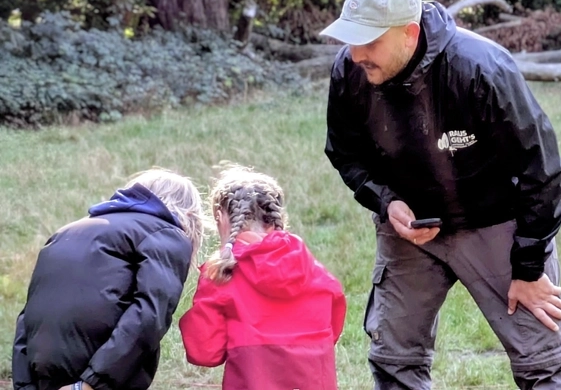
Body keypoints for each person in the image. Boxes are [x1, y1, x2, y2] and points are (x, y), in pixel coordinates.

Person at [320, 0, 561, 389]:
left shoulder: (480, 68)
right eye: (350, 39)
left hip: (497, 226)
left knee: (541, 364)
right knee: (393, 360)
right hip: (411, 230)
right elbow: (345, 153)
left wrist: (528, 268)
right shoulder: (351, 73)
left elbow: (540, 169)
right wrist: (386, 202)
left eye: (369, 42)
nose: (355, 54)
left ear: (409, 32)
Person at [12, 168, 205, 390]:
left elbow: (28, 315)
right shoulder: (166, 233)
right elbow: (150, 314)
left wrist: (25, 385)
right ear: (189, 215)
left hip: (44, 371)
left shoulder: (65, 232)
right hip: (102, 373)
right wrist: (90, 384)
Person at [179, 165, 346, 390]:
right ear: (276, 217)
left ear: (220, 218)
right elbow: (333, 325)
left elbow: (205, 352)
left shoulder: (222, 274)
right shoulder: (312, 269)